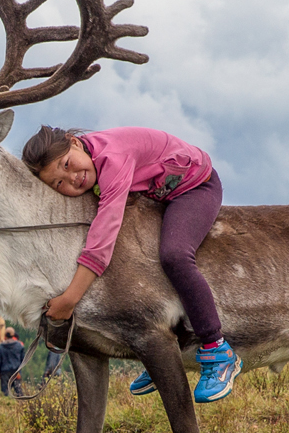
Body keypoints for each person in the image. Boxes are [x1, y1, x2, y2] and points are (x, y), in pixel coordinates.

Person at [23, 125, 240, 403]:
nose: (72, 179)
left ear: (74, 142)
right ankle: (170, 351)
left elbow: (104, 234)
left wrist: (69, 299)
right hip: (156, 194)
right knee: (140, 260)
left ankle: (218, 349)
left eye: (66, 164)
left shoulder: (113, 158)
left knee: (174, 256)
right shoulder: (90, 160)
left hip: (194, 187)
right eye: (59, 183)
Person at [0, 329, 26, 397]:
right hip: (16, 372)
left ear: (5, 335)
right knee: (18, 391)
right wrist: (19, 371)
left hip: (4, 371)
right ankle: (22, 404)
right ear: (14, 335)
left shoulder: (1, 347)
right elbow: (23, 360)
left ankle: (5, 404)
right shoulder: (19, 345)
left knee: (4, 392)